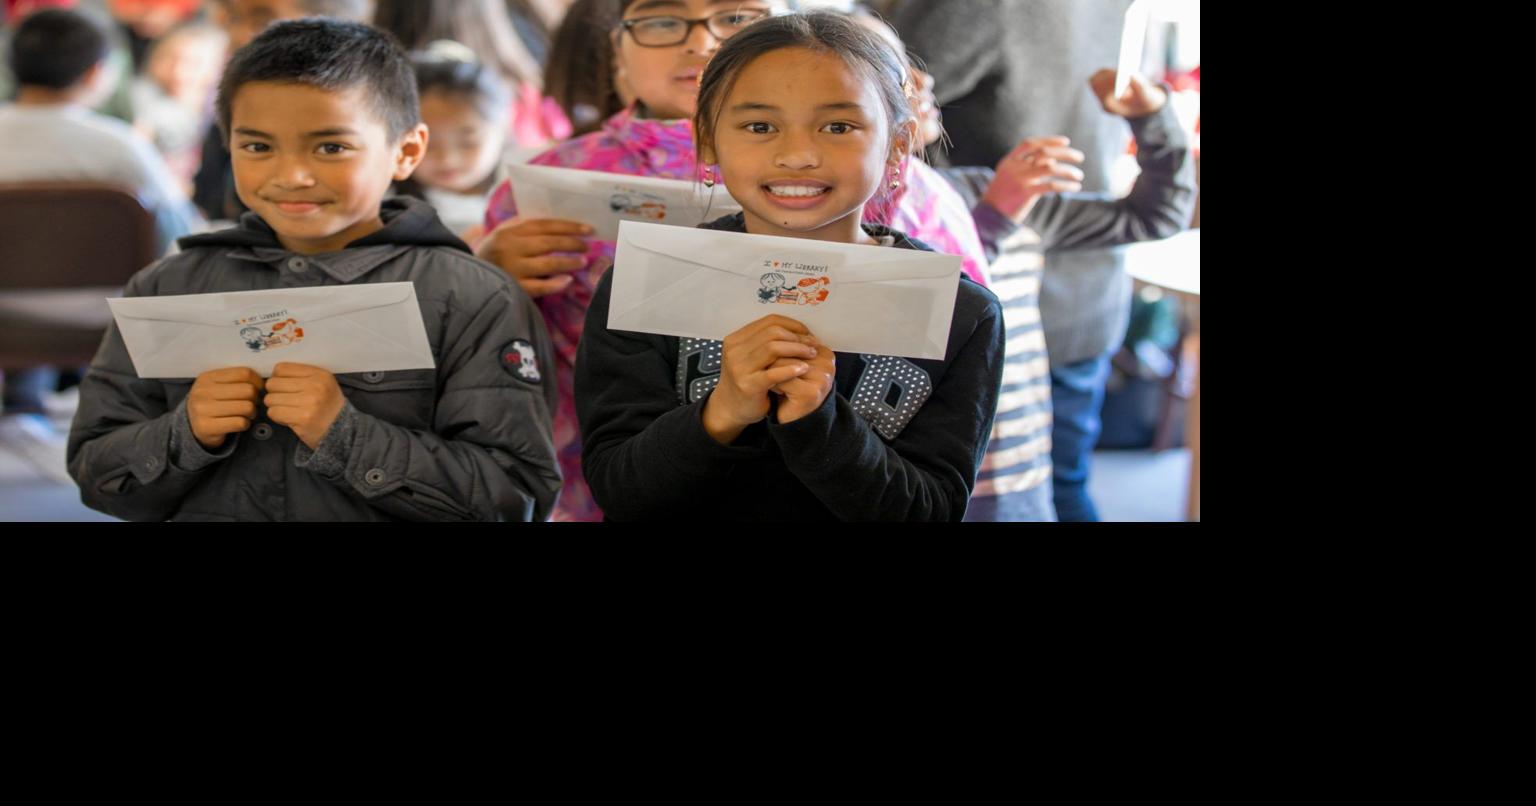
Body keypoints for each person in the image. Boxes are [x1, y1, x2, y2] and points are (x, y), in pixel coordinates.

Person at [476, 0, 987, 521]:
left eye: (838, 127)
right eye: (759, 127)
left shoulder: (956, 311)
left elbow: (934, 509)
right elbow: (621, 490)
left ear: (897, 144)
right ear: (707, 141)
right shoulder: (644, 283)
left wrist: (818, 422)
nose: (797, 155)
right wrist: (722, 411)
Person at [67, 19, 562, 521]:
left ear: (407, 151)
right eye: (258, 147)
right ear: (227, 143)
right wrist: (185, 433)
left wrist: (344, 435)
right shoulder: (166, 288)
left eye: (331, 147)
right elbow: (95, 473)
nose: (292, 176)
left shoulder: (472, 296)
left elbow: (514, 499)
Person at [393, 43, 512, 244]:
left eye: (468, 142)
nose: (447, 159)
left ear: (503, 128)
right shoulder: (387, 209)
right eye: (427, 145)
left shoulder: (524, 191)